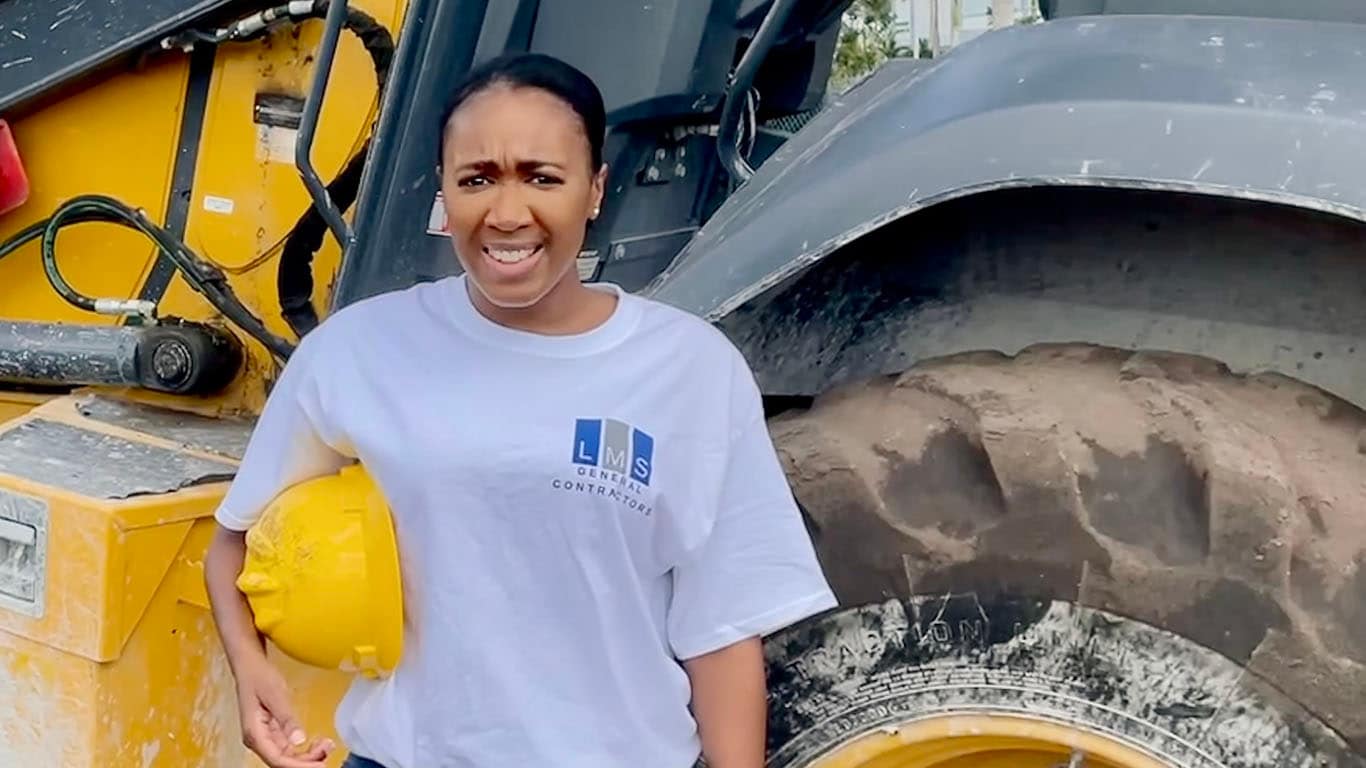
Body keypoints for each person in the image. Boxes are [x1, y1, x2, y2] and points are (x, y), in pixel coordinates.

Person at [203, 51, 837, 768]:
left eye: (543, 177)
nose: (507, 214)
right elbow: (235, 545)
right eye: (477, 179)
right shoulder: (358, 351)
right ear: (444, 190)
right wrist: (250, 673)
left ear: (594, 190)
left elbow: (721, 626)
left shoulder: (691, 370)